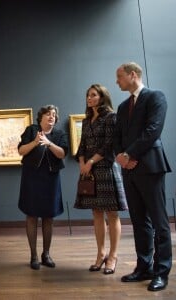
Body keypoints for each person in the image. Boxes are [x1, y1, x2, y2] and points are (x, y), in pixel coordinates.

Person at [113, 62, 172, 292]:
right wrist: (121, 156)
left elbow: (153, 130)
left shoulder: (155, 97)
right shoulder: (121, 106)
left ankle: (161, 272)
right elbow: (117, 135)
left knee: (159, 222)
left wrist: (129, 154)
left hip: (150, 167)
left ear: (133, 75)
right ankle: (144, 267)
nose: (117, 81)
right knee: (139, 222)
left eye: (120, 76)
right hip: (129, 169)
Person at [74, 84, 128, 275]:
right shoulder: (87, 120)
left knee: (112, 214)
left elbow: (108, 146)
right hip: (89, 171)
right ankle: (101, 254)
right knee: (96, 212)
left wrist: (90, 161)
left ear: (102, 97)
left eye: (93, 95)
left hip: (106, 168)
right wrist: (82, 163)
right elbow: (81, 146)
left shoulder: (111, 117)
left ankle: (113, 256)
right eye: (88, 95)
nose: (89, 98)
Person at [18, 105, 68, 270]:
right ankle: (33, 255)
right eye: (48, 114)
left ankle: (46, 254)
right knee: (31, 216)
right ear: (40, 118)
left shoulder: (59, 134)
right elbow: (21, 151)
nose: (51, 117)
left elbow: (62, 153)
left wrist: (48, 143)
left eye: (54, 114)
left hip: (51, 179)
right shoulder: (31, 130)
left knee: (49, 217)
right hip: (31, 178)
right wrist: (35, 142)